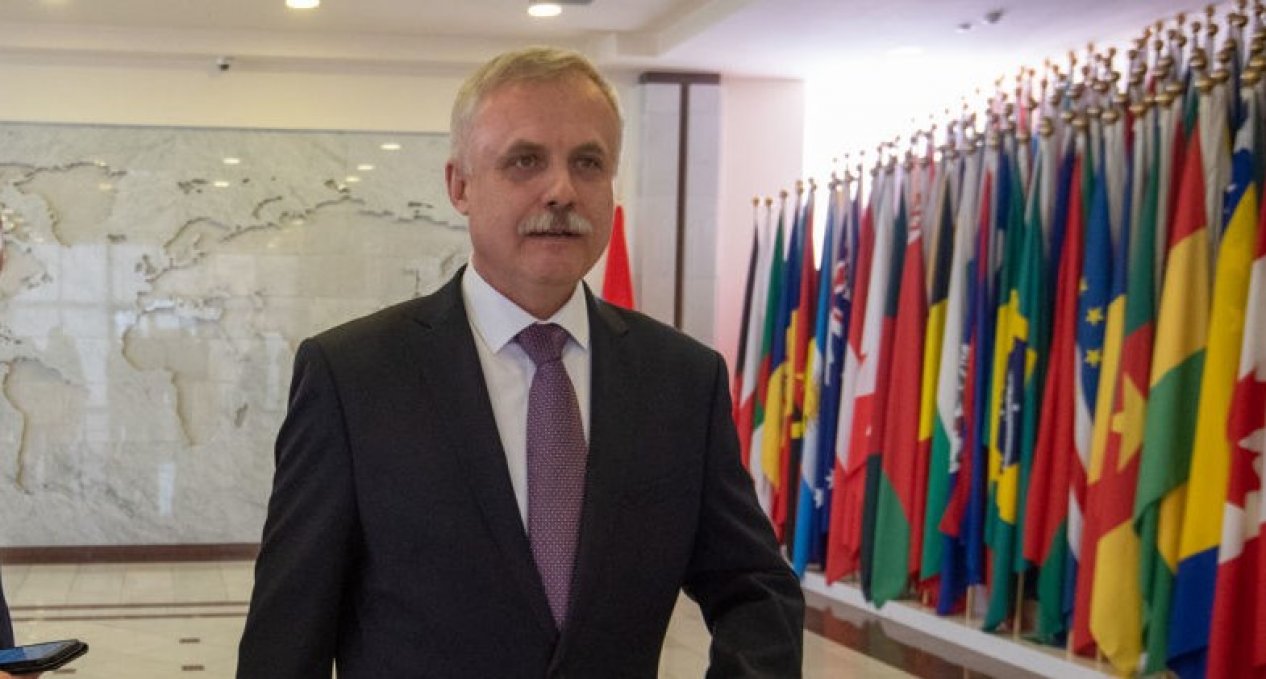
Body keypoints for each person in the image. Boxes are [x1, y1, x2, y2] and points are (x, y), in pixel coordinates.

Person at [237, 45, 804, 678]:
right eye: (525, 160)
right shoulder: (352, 377)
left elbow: (755, 587)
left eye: (588, 162)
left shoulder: (682, 381)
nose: (562, 190)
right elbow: (286, 638)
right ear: (460, 186)